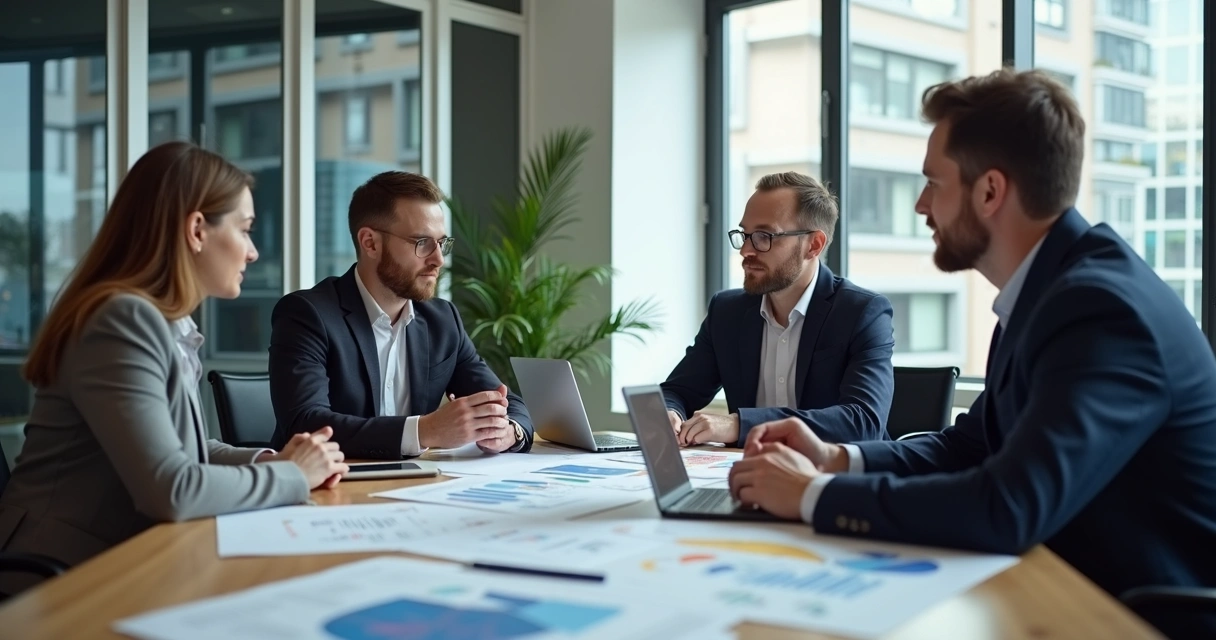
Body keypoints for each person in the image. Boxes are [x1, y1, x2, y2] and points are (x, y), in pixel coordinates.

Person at [728, 69, 1216, 639]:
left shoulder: (1101, 309)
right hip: (1061, 586)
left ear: (990, 191)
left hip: (1134, 617)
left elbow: (1009, 506)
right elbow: (972, 446)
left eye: (934, 183)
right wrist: (836, 459)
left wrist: (812, 494)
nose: (920, 205)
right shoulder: (1049, 291)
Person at [0, 142, 347, 594]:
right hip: (55, 579)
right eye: (245, 230)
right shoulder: (120, 319)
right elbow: (172, 489)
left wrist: (272, 459)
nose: (253, 252)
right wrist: (294, 475)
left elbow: (182, 448)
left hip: (121, 559)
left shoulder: (163, 321)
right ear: (197, 230)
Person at [268, 171, 533, 460]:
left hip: (415, 489)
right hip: (327, 489)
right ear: (370, 243)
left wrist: (508, 430)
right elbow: (306, 424)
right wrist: (424, 431)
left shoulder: (442, 320)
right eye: (422, 243)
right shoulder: (307, 315)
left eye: (442, 242)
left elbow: (506, 402)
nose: (438, 260)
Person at [661, 172, 895, 448]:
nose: (746, 250)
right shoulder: (727, 312)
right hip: (744, 477)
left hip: (833, 482)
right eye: (744, 235)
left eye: (764, 236)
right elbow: (676, 391)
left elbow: (862, 422)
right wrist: (671, 413)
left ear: (813, 245)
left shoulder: (862, 313)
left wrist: (740, 424)